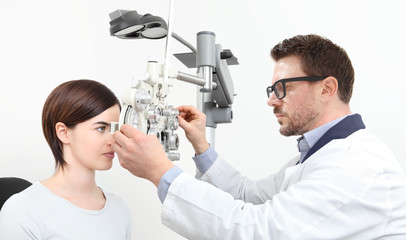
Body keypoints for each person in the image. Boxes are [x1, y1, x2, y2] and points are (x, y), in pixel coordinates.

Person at [112, 34, 406, 239]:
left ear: (326, 88)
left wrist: (160, 171)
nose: (272, 101)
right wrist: (201, 145)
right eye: (272, 90)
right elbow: (248, 196)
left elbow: (258, 230)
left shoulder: (354, 165)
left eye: (283, 88)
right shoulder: (318, 156)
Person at [0, 80, 132, 239]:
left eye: (114, 129)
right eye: (100, 128)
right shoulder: (22, 210)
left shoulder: (119, 209)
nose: (113, 140)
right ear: (63, 132)